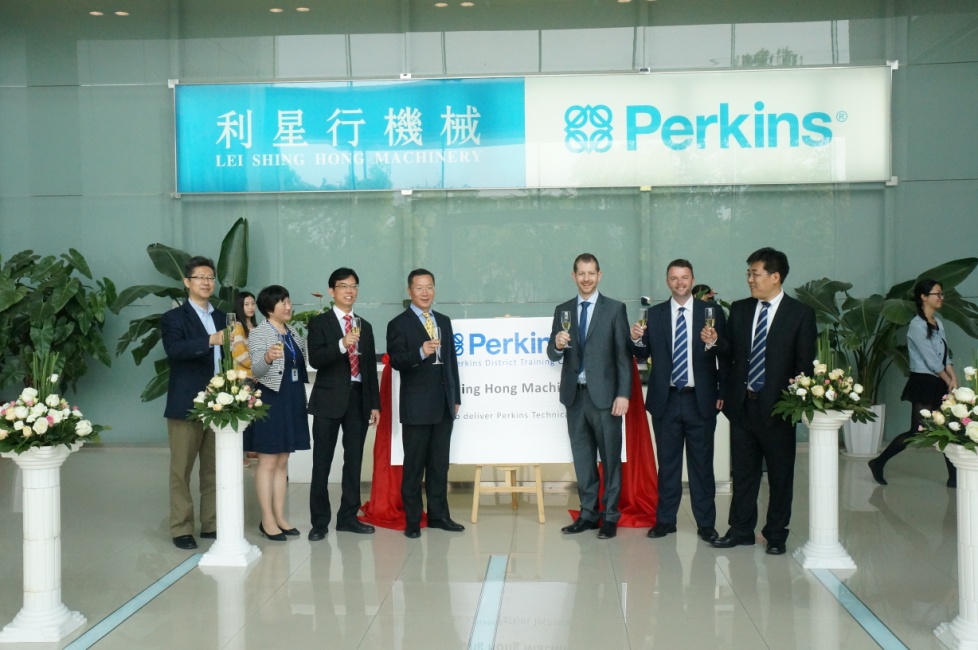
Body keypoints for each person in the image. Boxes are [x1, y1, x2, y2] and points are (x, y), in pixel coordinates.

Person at [712, 247, 816, 556]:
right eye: (749, 273)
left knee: (781, 476)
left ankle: (776, 533)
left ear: (775, 277)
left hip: (778, 409)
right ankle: (741, 529)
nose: (750, 280)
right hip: (743, 405)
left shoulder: (800, 314)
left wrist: (792, 405)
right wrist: (715, 342)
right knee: (744, 474)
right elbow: (731, 353)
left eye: (755, 274)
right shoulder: (741, 309)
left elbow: (804, 365)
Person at [632, 259, 727, 543]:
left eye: (684, 277)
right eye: (674, 278)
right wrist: (636, 339)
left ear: (692, 279)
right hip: (667, 400)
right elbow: (641, 354)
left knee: (702, 465)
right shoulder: (655, 314)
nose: (680, 282)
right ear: (667, 281)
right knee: (668, 464)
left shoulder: (711, 312)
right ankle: (665, 521)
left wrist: (722, 390)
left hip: (701, 400)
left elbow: (727, 352)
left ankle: (706, 524)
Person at [546, 253, 632, 540]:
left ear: (599, 275)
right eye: (581, 273)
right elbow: (552, 353)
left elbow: (623, 356)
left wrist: (623, 394)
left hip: (606, 398)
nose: (586, 278)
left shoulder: (615, 309)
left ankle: (610, 516)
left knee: (610, 459)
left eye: (591, 273)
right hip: (575, 397)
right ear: (574, 276)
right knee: (583, 460)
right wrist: (558, 345)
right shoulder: (563, 310)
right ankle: (587, 514)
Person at [386, 268, 464, 539]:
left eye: (429, 287)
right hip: (416, 407)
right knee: (414, 466)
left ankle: (439, 516)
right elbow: (397, 361)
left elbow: (451, 362)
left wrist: (455, 397)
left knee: (439, 466)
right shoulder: (398, 324)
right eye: (419, 288)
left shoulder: (444, 321)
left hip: (443, 405)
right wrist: (421, 351)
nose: (425, 292)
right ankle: (412, 520)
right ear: (410, 291)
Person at [307, 268, 381, 541]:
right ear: (332, 291)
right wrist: (341, 343)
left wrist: (374, 404)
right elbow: (316, 359)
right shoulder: (320, 323)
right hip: (328, 400)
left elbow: (369, 368)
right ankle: (319, 522)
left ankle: (348, 517)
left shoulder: (365, 326)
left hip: (358, 399)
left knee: (354, 461)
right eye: (343, 286)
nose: (349, 291)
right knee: (322, 461)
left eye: (353, 286)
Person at [161, 255, 225, 550]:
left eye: (210, 277)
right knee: (181, 470)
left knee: (214, 468)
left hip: (221, 403)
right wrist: (210, 340)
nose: (206, 282)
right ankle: (181, 527)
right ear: (187, 282)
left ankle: (212, 523)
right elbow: (175, 350)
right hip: (186, 403)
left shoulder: (223, 317)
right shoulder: (174, 318)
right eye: (200, 277)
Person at [869, 279, 958, 487]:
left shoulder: (938, 323)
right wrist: (947, 379)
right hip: (924, 381)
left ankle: (954, 478)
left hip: (940, 380)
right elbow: (930, 359)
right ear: (924, 297)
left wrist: (953, 377)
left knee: (948, 428)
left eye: (942, 294)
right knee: (917, 430)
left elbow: (945, 355)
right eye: (937, 294)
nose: (941, 297)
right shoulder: (917, 325)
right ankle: (878, 462)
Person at [246, 285, 311, 541]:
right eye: (282, 302)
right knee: (268, 462)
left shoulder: (293, 332)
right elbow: (256, 370)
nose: (288, 306)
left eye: (289, 301)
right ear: (268, 308)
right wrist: (267, 358)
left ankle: (280, 516)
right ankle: (267, 519)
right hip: (271, 399)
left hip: (292, 398)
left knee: (283, 461)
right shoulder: (259, 333)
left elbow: (301, 363)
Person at [231, 291, 259, 465]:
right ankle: (238, 454)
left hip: (253, 377)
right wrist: (258, 368)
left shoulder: (255, 326)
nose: (251, 307)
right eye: (246, 304)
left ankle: (251, 449)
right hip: (242, 377)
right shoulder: (237, 326)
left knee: (252, 415)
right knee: (241, 416)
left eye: (252, 303)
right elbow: (240, 354)